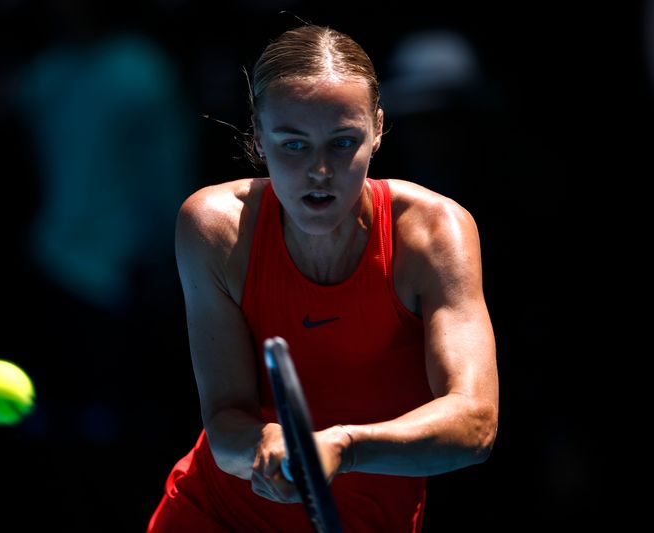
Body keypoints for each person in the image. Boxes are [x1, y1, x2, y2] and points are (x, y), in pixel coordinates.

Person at [148, 24, 499, 532]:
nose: (319, 170)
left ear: (377, 129)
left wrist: (343, 446)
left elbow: (476, 424)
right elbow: (225, 426)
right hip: (211, 517)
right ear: (258, 136)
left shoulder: (435, 233)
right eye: (293, 145)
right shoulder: (213, 226)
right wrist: (261, 446)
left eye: (342, 142)